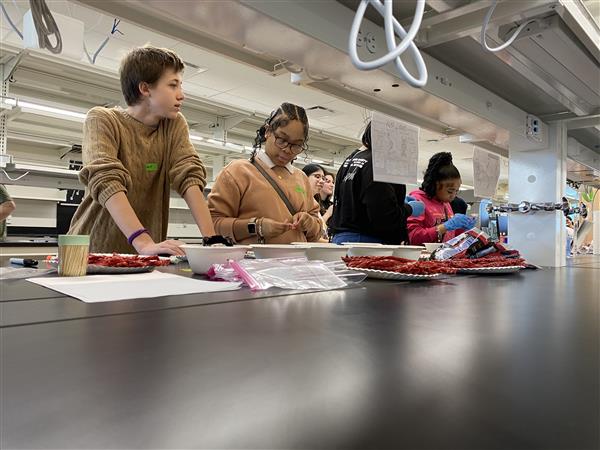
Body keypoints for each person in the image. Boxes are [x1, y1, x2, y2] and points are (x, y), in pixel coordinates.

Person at [69, 46, 216, 255]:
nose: (181, 95)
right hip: (93, 251)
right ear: (145, 89)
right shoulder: (103, 119)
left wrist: (212, 241)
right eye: (173, 85)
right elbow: (106, 179)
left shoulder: (173, 124)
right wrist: (143, 242)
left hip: (145, 254)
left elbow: (188, 174)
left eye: (180, 86)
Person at [208, 103, 322, 244]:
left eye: (296, 145)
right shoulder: (238, 171)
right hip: (252, 258)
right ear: (268, 131)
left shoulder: (301, 178)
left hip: (298, 258)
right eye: (282, 140)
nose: (287, 150)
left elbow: (317, 230)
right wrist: (255, 226)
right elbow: (212, 224)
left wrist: (310, 223)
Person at [329, 122, 424, 244]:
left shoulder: (352, 159)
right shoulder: (380, 163)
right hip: (369, 243)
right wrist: (408, 209)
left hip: (344, 240)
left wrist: (396, 201)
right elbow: (384, 218)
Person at [407, 152, 476, 245]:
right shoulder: (417, 200)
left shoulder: (445, 203)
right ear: (435, 185)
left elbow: (449, 236)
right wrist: (444, 227)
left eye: (457, 191)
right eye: (450, 191)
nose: (453, 196)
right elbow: (413, 237)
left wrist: (462, 229)